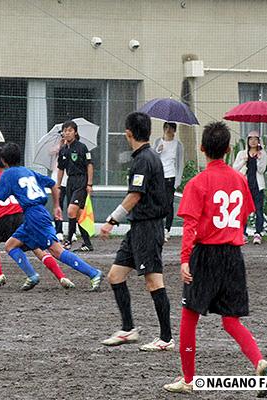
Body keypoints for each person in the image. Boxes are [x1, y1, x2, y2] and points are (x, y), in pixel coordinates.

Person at [163, 121, 267, 397]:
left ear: (202, 149)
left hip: (206, 254)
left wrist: (185, 259)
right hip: (233, 255)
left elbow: (189, 226)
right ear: (227, 149)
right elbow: (246, 213)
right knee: (231, 320)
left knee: (189, 317)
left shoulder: (197, 182)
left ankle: (188, 379)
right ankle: (259, 362)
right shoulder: (239, 179)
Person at [0, 142, 103, 291]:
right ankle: (32, 276)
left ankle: (94, 273)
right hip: (32, 215)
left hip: (35, 216)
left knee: (56, 250)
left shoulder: (8, 175)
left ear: (3, 160)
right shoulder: (28, 171)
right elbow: (53, 184)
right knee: (10, 245)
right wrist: (56, 206)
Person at [100, 112, 173, 351]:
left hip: (148, 228)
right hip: (138, 229)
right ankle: (128, 329)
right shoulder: (147, 157)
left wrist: (112, 220)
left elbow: (135, 195)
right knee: (115, 276)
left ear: (128, 133)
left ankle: (165, 338)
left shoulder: (144, 159)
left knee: (154, 281)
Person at [56, 120, 95, 251]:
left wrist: (89, 183)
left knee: (71, 210)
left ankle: (68, 241)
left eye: (70, 130)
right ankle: (88, 244)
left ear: (75, 132)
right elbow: (61, 169)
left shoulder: (82, 147)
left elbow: (90, 165)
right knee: (77, 215)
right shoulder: (62, 151)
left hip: (81, 181)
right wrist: (58, 185)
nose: (67, 133)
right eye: (65, 131)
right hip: (70, 182)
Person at [232, 130, 267, 245]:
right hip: (245, 185)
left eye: (255, 139)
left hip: (257, 186)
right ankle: (243, 233)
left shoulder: (263, 154)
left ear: (258, 141)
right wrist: (244, 161)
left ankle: (258, 233)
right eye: (250, 139)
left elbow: (262, 170)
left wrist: (258, 159)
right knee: (243, 210)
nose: (253, 141)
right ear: (247, 141)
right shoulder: (242, 154)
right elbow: (235, 169)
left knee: (258, 210)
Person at [154, 122, 184, 242]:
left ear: (174, 131)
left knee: (169, 204)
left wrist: (178, 180)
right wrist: (158, 150)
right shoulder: (158, 142)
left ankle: (167, 229)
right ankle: (159, 228)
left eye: (171, 128)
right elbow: (153, 157)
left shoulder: (178, 145)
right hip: (159, 176)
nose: (168, 130)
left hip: (171, 176)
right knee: (158, 202)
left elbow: (180, 163)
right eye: (166, 127)